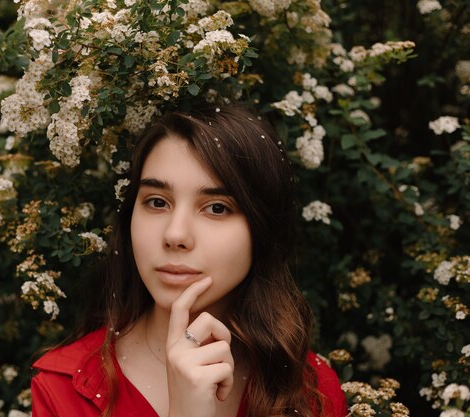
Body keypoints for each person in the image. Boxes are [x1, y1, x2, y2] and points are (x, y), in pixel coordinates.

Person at [31, 104, 347, 417]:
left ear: (262, 229)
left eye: (217, 208)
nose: (175, 234)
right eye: (157, 202)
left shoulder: (310, 391)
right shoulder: (64, 390)